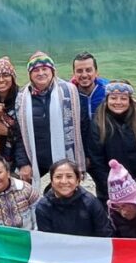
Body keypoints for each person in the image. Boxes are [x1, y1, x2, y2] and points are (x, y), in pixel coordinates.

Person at [14, 52, 105, 198]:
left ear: (52, 71)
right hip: (37, 158)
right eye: (36, 70)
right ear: (30, 74)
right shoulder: (22, 98)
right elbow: (19, 134)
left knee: (66, 196)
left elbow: (83, 127)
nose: (41, 73)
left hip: (65, 156)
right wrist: (23, 163)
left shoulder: (69, 91)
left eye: (45, 69)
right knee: (27, 195)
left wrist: (85, 156)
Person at [34, 159, 112, 237]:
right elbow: (46, 241)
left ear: (77, 180)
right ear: (52, 181)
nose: (64, 181)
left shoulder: (91, 203)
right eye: (58, 177)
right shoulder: (43, 207)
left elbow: (105, 235)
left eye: (69, 176)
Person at [94, 80, 136, 178]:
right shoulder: (98, 123)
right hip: (112, 183)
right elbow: (96, 160)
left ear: (130, 100)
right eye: (113, 98)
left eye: (123, 98)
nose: (118, 102)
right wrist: (110, 185)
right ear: (107, 99)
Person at [71, 52, 108, 117]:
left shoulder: (107, 91)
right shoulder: (68, 94)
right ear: (74, 74)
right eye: (79, 71)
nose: (84, 75)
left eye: (88, 70)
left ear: (96, 72)